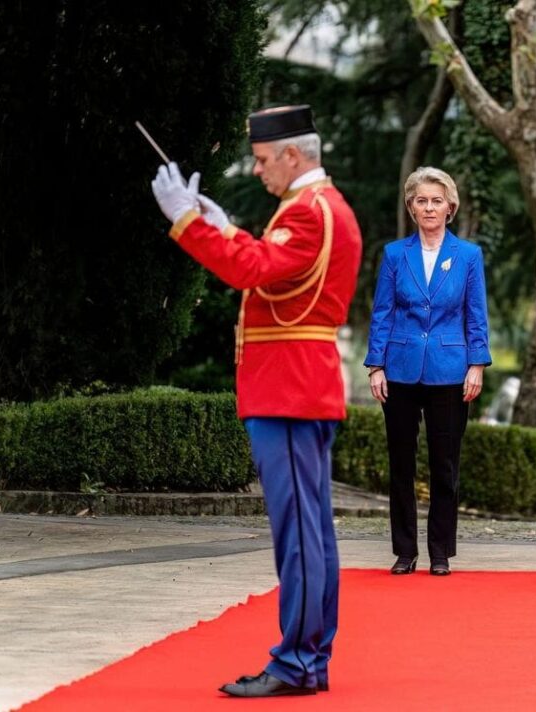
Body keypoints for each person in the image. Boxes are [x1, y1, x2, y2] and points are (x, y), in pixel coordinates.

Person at [150, 104, 362, 698]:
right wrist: (227, 229)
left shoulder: (309, 210)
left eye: (266, 159)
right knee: (310, 531)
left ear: (294, 155)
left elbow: (253, 271)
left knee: (298, 534)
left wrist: (192, 224)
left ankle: (296, 662)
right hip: (297, 385)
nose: (259, 168)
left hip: (289, 390)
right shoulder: (315, 208)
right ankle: (309, 658)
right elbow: (276, 276)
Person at [364, 167, 490, 577]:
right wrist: (375, 365)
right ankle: (404, 551)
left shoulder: (468, 255)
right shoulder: (394, 254)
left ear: (450, 207)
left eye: (437, 200)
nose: (430, 207)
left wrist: (477, 365)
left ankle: (440, 552)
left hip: (451, 371)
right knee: (401, 463)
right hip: (399, 369)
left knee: (445, 464)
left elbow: (476, 315)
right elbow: (382, 311)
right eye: (422, 200)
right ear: (411, 207)